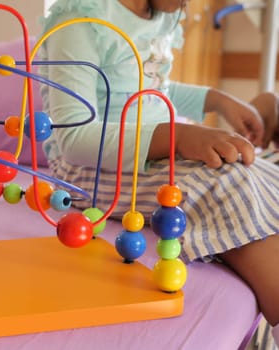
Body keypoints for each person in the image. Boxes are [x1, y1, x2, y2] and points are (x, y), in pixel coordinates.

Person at [38, 0, 279, 345]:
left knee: (253, 165)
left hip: (155, 149)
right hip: (86, 168)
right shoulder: (82, 19)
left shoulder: (157, 15)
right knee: (224, 182)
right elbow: (74, 139)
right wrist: (178, 137)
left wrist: (218, 101)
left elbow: (150, 92)